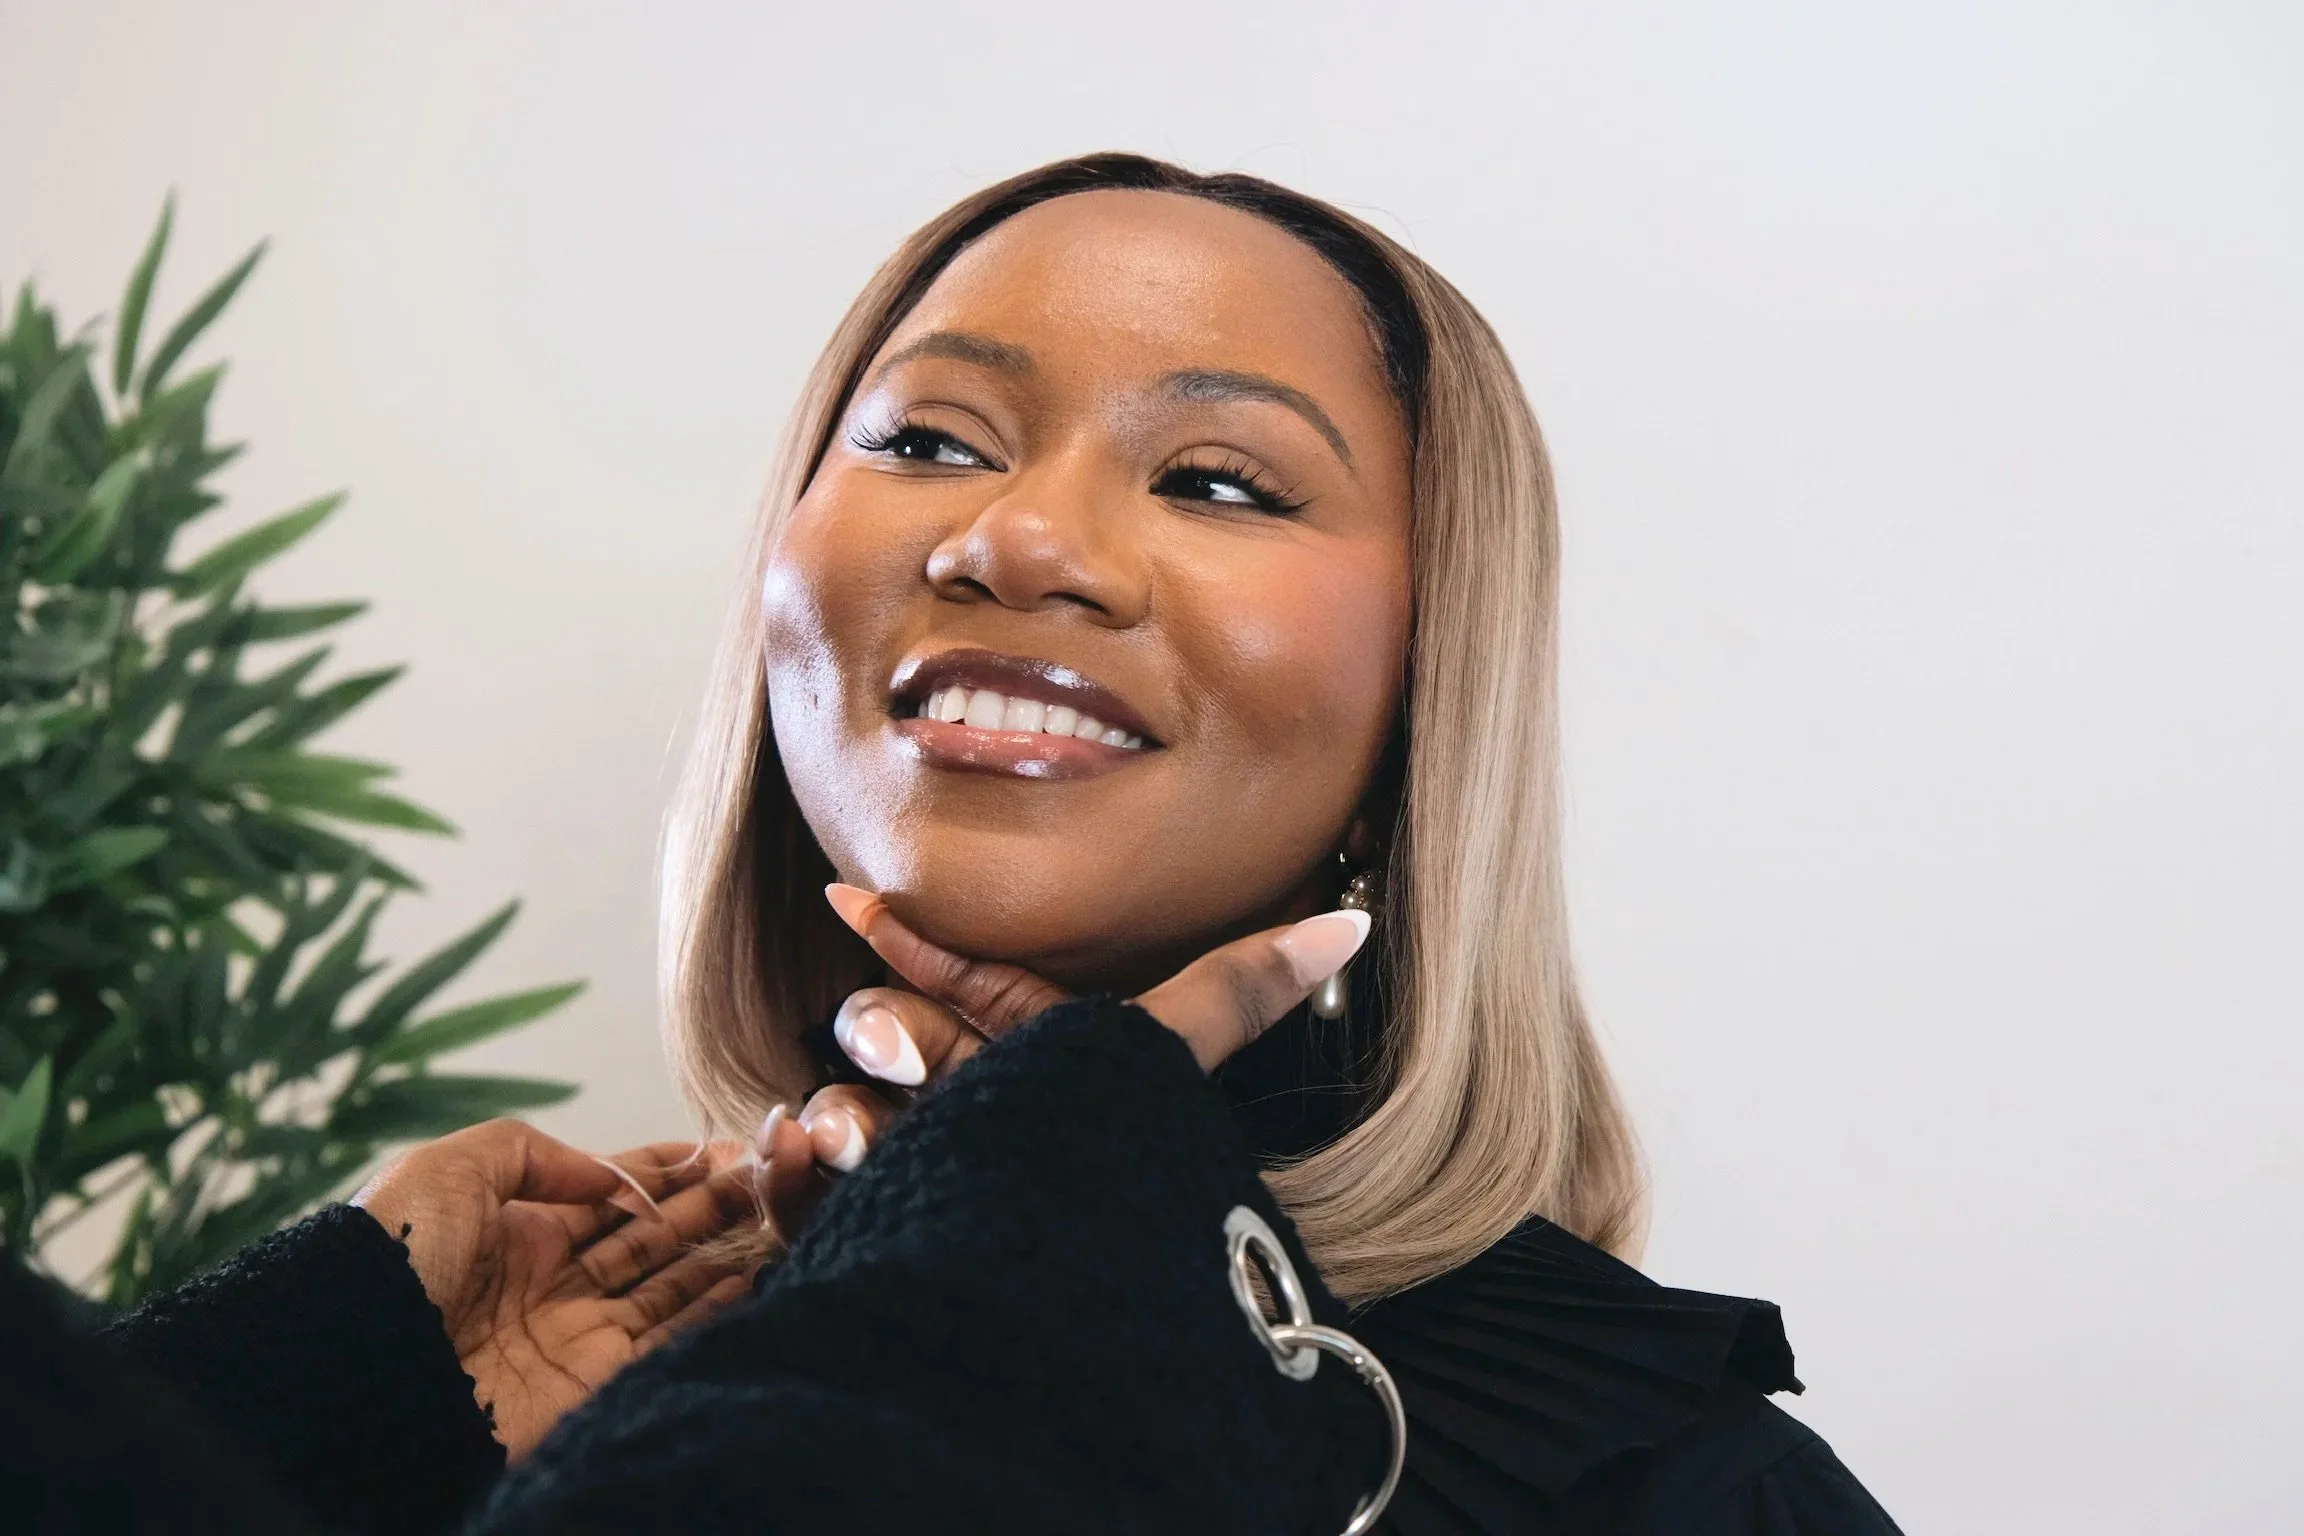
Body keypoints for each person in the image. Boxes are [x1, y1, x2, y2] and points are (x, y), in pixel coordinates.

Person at [5, 153, 1905, 1534]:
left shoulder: (1675, 1488)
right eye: (926, 439)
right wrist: (310, 1431)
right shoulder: (468, 1387)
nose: (1015, 539)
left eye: (1218, 480)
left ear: (1436, 687)